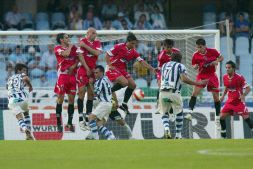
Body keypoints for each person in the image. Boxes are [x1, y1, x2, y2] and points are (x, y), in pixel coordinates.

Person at [105, 32, 156, 114]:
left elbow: (142, 62)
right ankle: (109, 92)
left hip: (121, 69)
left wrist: (152, 69)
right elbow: (107, 54)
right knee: (125, 82)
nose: (133, 45)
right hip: (112, 68)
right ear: (127, 41)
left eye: (134, 44)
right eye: (132, 43)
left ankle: (124, 104)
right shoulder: (119, 46)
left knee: (133, 85)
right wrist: (109, 65)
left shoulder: (133, 51)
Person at [160, 52, 207, 139]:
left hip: (162, 92)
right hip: (174, 92)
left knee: (164, 112)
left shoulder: (164, 65)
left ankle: (166, 128)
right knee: (179, 112)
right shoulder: (180, 66)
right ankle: (178, 135)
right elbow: (184, 79)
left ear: (171, 58)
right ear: (180, 59)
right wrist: (196, 83)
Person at [188, 38, 224, 131]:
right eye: (197, 47)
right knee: (194, 92)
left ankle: (217, 118)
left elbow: (221, 57)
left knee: (216, 97)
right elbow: (193, 65)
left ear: (205, 46)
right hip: (201, 76)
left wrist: (217, 61)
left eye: (200, 47)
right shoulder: (195, 54)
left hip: (212, 76)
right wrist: (195, 66)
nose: (199, 49)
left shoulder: (213, 51)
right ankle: (190, 113)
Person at [77, 27, 102, 131]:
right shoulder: (82, 41)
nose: (95, 34)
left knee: (91, 94)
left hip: (93, 70)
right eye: (93, 33)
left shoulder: (96, 42)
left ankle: (87, 118)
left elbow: (97, 53)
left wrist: (85, 47)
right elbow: (80, 55)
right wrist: (87, 68)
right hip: (83, 70)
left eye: (95, 33)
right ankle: (80, 120)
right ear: (87, 33)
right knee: (81, 92)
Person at [220, 60, 253, 138]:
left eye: (229, 68)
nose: (227, 69)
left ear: (233, 68)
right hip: (230, 102)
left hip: (239, 102)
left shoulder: (239, 77)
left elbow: (248, 88)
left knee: (247, 119)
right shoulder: (225, 77)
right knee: (221, 117)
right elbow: (226, 87)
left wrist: (243, 95)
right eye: (226, 68)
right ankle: (223, 135)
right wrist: (223, 96)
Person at [54, 33, 79, 132]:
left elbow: (78, 58)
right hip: (63, 76)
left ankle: (69, 123)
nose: (68, 39)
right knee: (60, 99)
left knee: (72, 100)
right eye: (66, 37)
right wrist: (70, 47)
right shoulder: (58, 48)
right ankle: (59, 123)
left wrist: (74, 66)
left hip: (72, 76)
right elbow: (66, 54)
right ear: (61, 40)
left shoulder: (74, 48)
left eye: (69, 37)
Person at [86, 65, 116, 140]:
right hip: (109, 104)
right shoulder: (106, 79)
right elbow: (112, 91)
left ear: (102, 72)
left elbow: (95, 94)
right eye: (94, 73)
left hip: (104, 103)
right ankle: (110, 136)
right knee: (99, 124)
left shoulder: (100, 81)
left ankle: (96, 138)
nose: (95, 74)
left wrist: (90, 84)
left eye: (97, 73)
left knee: (91, 118)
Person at [7, 63, 34, 140]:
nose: (25, 72)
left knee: (19, 117)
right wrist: (30, 86)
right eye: (24, 70)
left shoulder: (9, 79)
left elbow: (8, 88)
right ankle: (29, 134)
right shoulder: (21, 75)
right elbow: (26, 79)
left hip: (12, 100)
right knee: (26, 113)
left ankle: (25, 129)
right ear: (18, 70)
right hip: (22, 99)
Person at [156, 39, 179, 115]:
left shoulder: (177, 52)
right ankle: (158, 106)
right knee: (160, 86)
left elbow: (178, 63)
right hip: (162, 72)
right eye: (167, 47)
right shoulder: (161, 56)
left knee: (173, 89)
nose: (169, 49)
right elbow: (159, 68)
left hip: (172, 73)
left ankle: (171, 106)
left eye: (170, 47)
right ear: (164, 47)